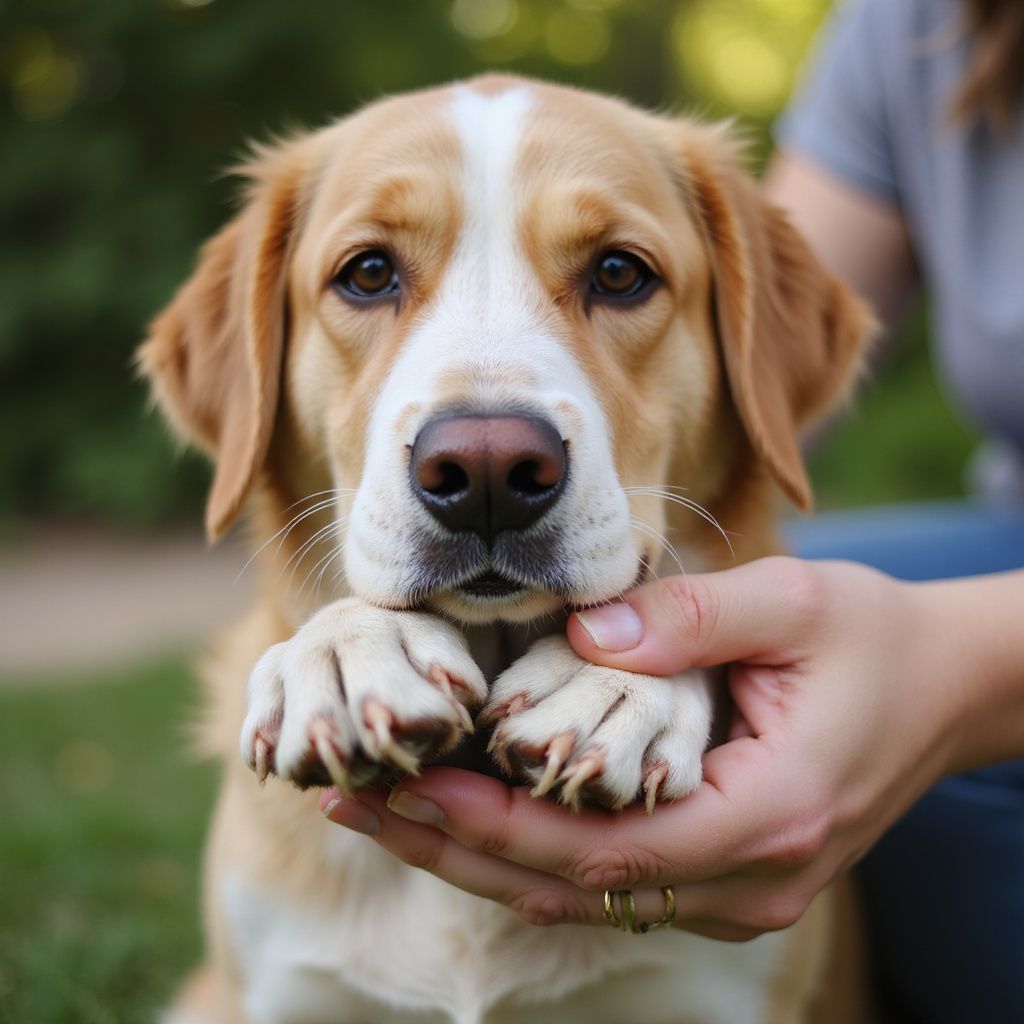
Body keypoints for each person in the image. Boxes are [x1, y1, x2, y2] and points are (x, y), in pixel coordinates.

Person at [320, 2, 1024, 1020]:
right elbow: (747, 393)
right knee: (778, 601)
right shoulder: (914, 20)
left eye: (615, 273)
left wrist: (956, 675)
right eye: (371, 273)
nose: (483, 448)